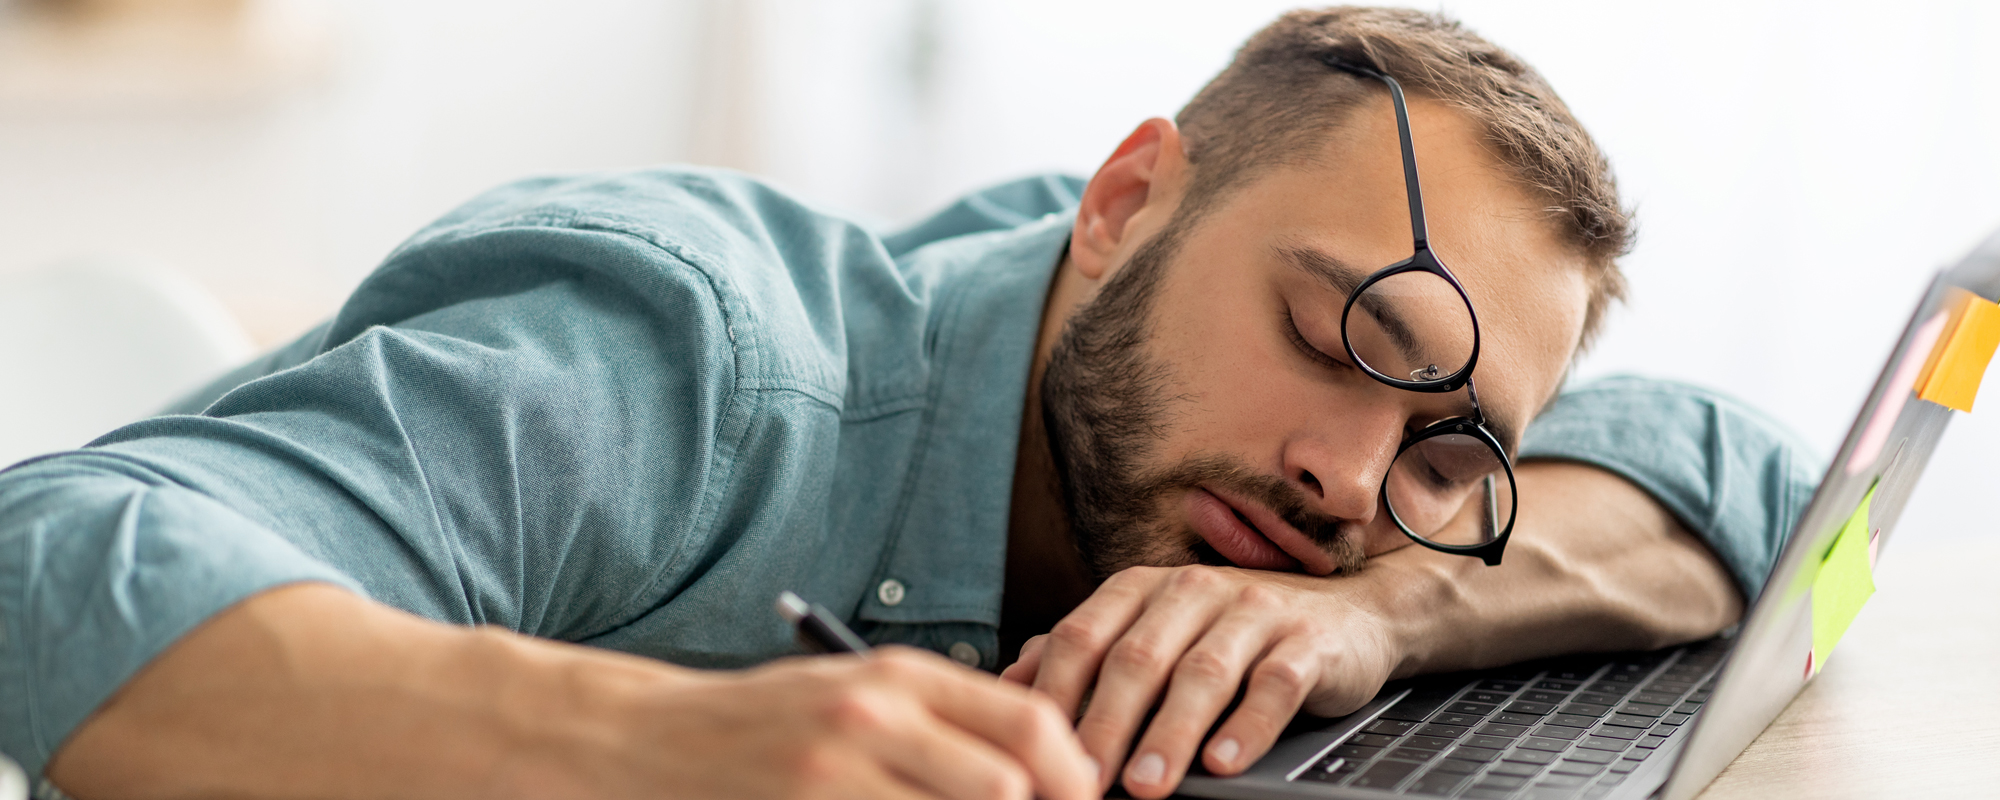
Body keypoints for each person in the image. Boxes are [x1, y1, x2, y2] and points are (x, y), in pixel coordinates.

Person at [0, 7, 1816, 800]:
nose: (1349, 475)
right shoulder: (696, 362)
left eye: (1445, 444)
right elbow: (50, 550)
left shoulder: (1344, 524)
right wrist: (650, 753)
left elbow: (1740, 471)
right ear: (1121, 205)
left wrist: (1364, 612)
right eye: (1338, 335)